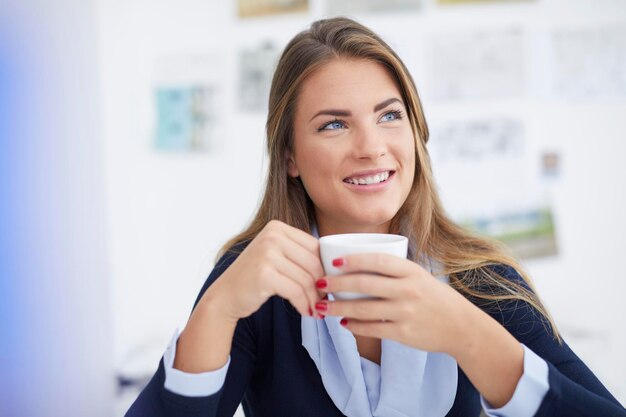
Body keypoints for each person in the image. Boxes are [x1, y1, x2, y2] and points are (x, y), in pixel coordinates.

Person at [126, 17, 625, 417]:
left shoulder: (482, 280)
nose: (371, 148)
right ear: (289, 158)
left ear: (415, 133)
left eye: (389, 116)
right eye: (334, 124)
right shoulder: (257, 283)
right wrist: (215, 310)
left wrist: (467, 334)